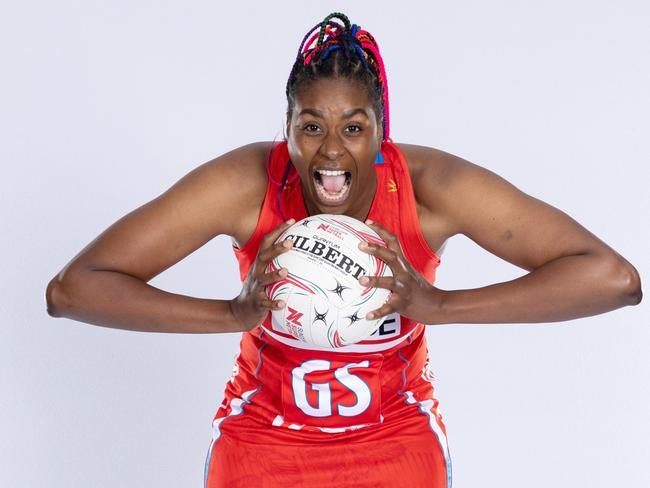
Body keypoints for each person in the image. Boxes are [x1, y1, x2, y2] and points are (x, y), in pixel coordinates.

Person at [45, 11, 642, 488]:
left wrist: (437, 304)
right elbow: (73, 290)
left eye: (352, 127)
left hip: (396, 440)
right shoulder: (248, 183)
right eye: (311, 126)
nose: (331, 152)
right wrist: (231, 314)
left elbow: (613, 279)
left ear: (381, 130)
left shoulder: (431, 189)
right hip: (262, 441)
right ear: (287, 127)